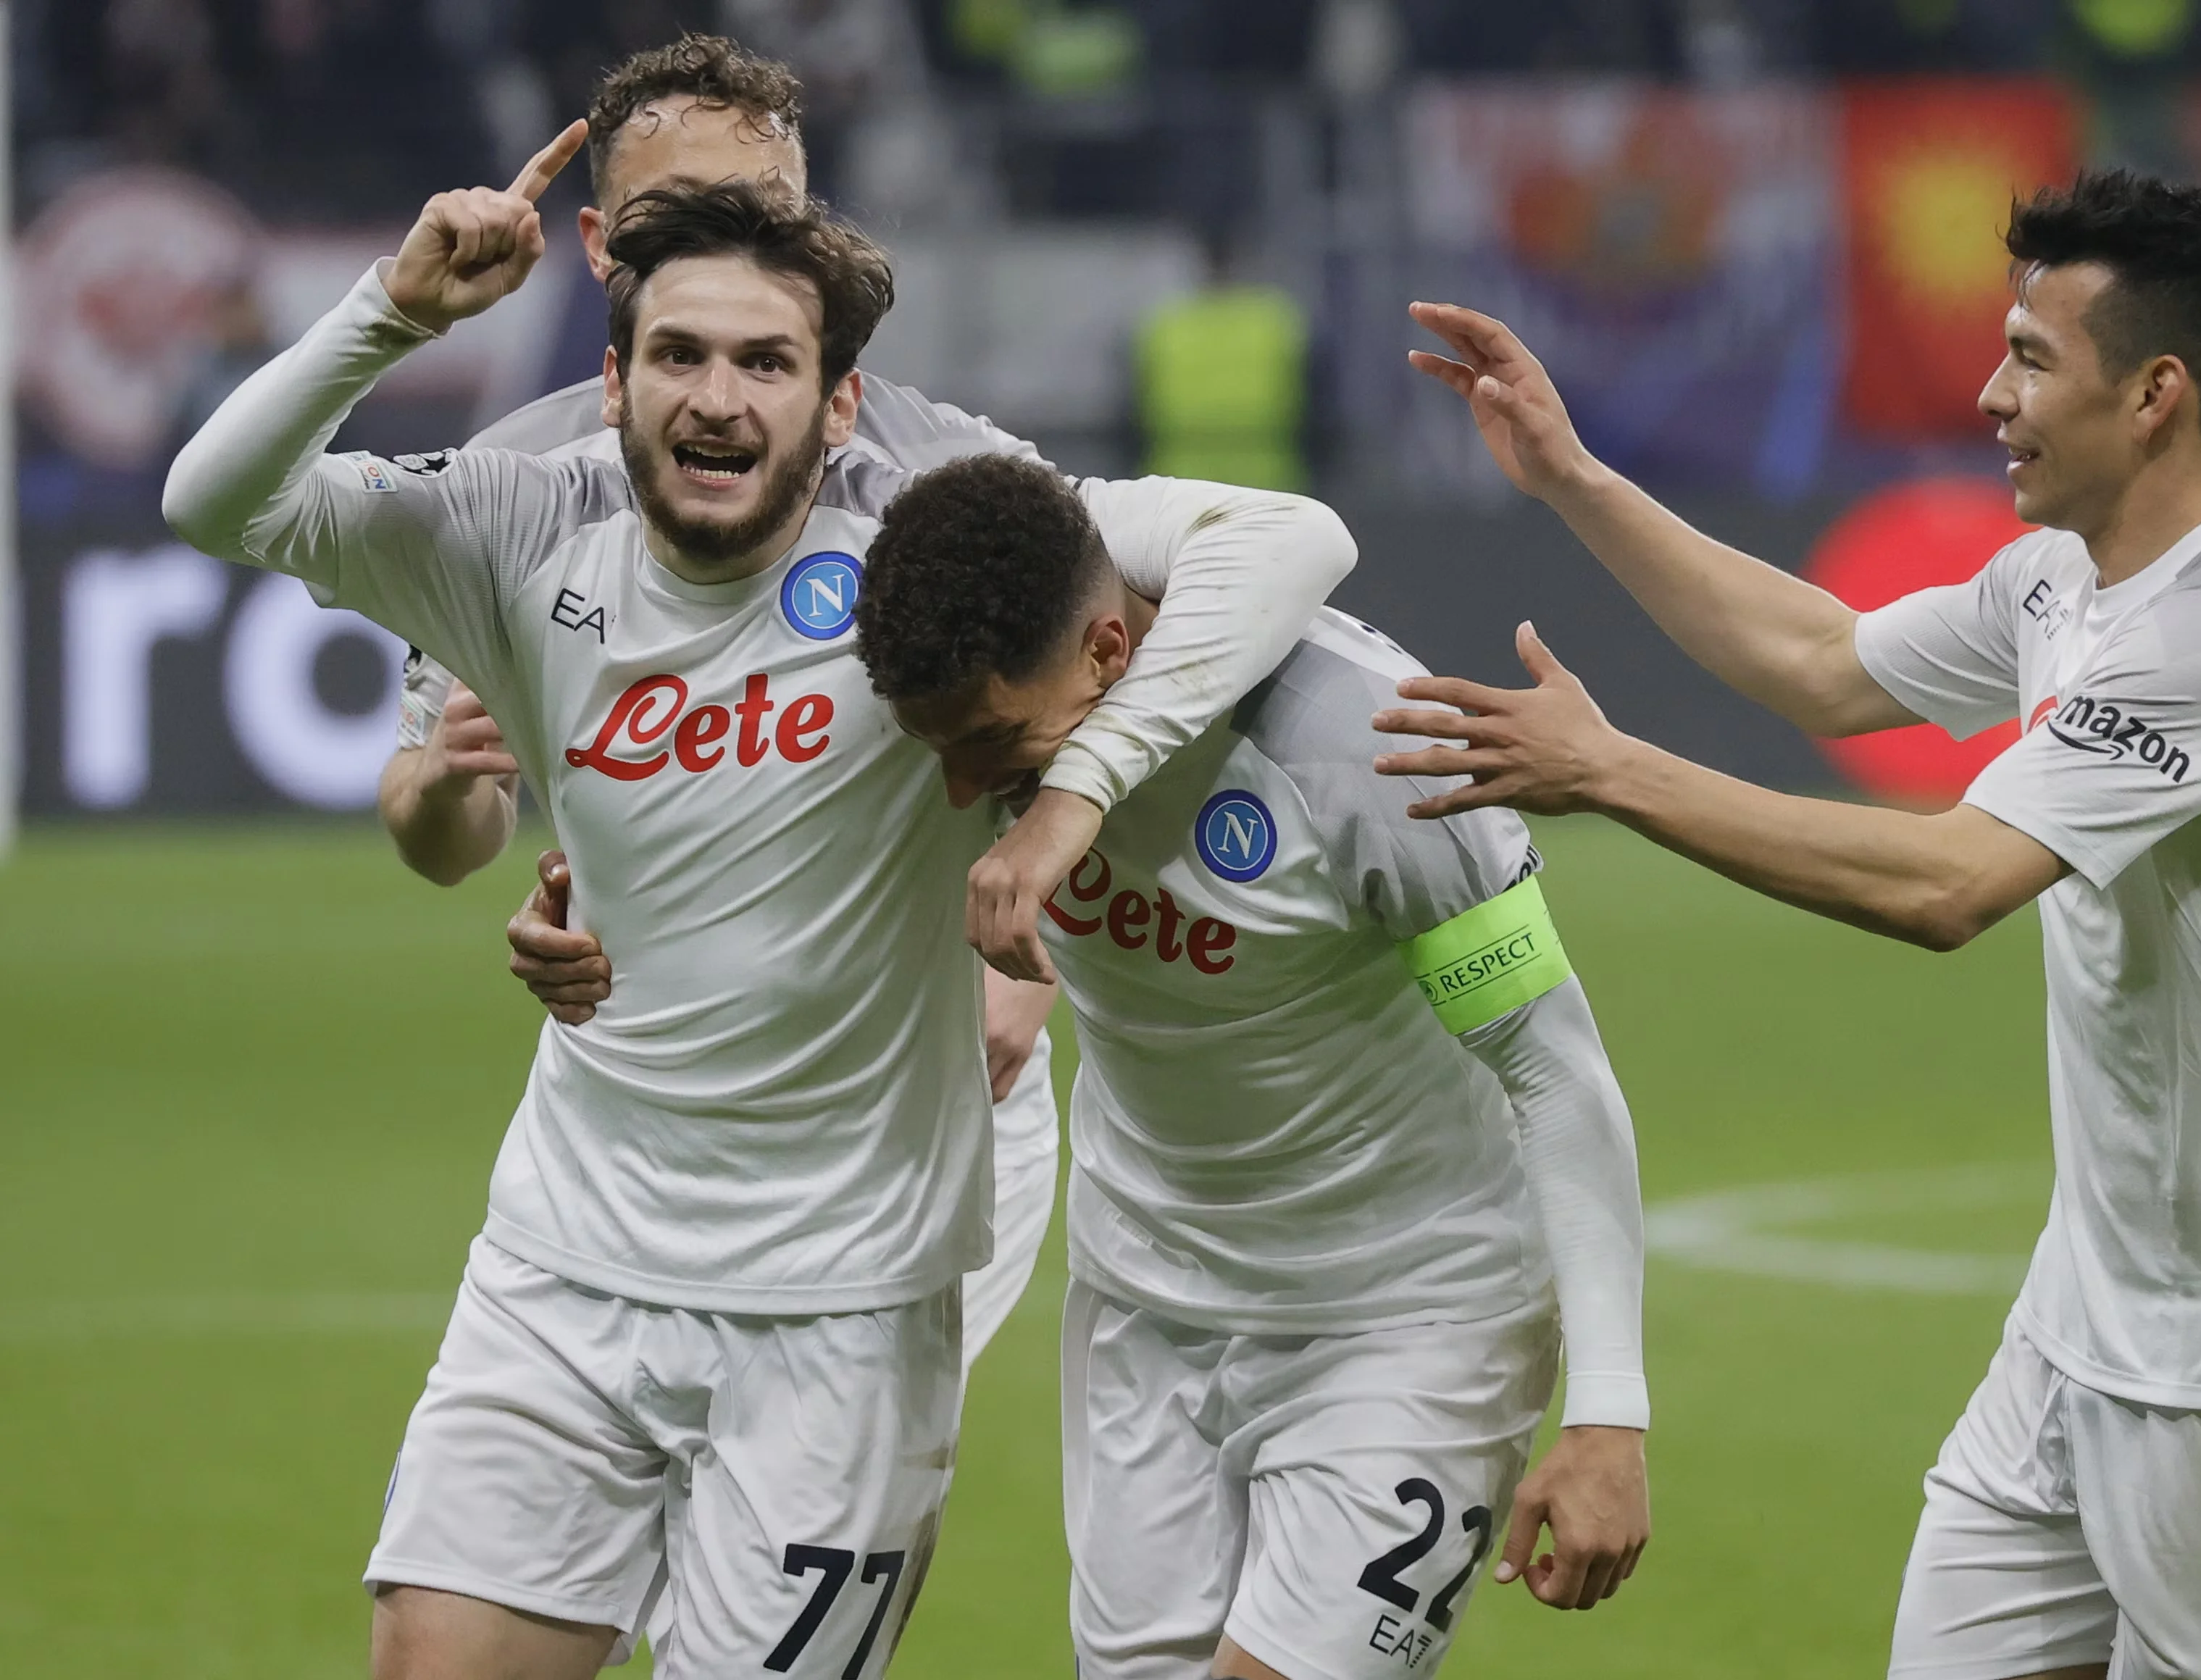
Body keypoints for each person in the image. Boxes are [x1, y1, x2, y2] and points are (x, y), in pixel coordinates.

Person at [162, 156, 1354, 1679]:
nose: (717, 399)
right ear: (616, 383)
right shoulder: (521, 528)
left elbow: (1291, 540)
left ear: (838, 403)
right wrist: (390, 315)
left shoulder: (924, 554)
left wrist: (1069, 804)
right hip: (563, 1268)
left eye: (766, 363)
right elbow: (214, 501)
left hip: (839, 1316)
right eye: (678, 355)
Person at [1381, 170, 2201, 1680]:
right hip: (2086, 1318)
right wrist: (1573, 476)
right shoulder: (2068, 577)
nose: (1993, 395)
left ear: (2154, 395)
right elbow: (1822, 661)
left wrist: (1612, 771)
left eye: (2032, 360)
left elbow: (1948, 883)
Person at [514, 451, 1651, 1680]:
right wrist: (590, 920)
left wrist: (1609, 1410)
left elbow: (1551, 1069)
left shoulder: (1371, 754)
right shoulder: (986, 707)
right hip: (1144, 1309)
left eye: (991, 742)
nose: (962, 788)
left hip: (1410, 1318)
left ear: (1110, 652)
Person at [375, 33, 1064, 1375]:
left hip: (911, 1097)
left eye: (763, 212)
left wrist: (1026, 972)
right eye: (675, 215)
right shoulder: (516, 482)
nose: (725, 241)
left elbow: (1107, 708)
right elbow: (439, 833)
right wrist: (452, 786)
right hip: (653, 1114)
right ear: (597, 247)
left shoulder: (941, 470)